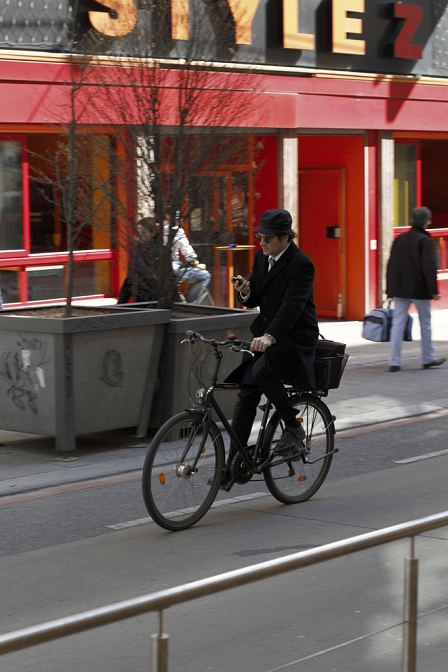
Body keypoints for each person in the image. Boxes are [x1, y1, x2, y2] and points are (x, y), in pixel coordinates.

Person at [219, 208, 319, 490]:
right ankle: (232, 463)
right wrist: (245, 290)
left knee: (263, 372)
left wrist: (271, 336)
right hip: (267, 335)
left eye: (266, 238)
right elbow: (257, 298)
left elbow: (292, 306)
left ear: (284, 238)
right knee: (246, 395)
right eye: (259, 237)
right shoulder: (262, 258)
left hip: (295, 339)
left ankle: (294, 428)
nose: (261, 242)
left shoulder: (301, 264)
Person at [386, 206, 445, 372]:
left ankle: (394, 362)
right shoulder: (425, 241)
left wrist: (390, 289)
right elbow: (429, 267)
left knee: (398, 324)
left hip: (400, 289)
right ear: (427, 221)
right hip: (420, 289)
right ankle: (428, 358)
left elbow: (391, 265)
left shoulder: (400, 239)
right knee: (425, 323)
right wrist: (434, 290)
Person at [163, 209, 211, 303]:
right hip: (173, 269)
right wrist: (196, 263)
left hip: (158, 270)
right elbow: (187, 249)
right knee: (205, 276)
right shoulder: (176, 230)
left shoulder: (157, 229)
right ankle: (189, 305)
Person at [117, 218, 159, 304]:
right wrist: (121, 303)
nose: (139, 237)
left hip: (155, 296)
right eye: (138, 233)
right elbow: (130, 278)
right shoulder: (135, 250)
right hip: (139, 296)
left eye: (143, 233)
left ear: (153, 233)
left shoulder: (160, 251)